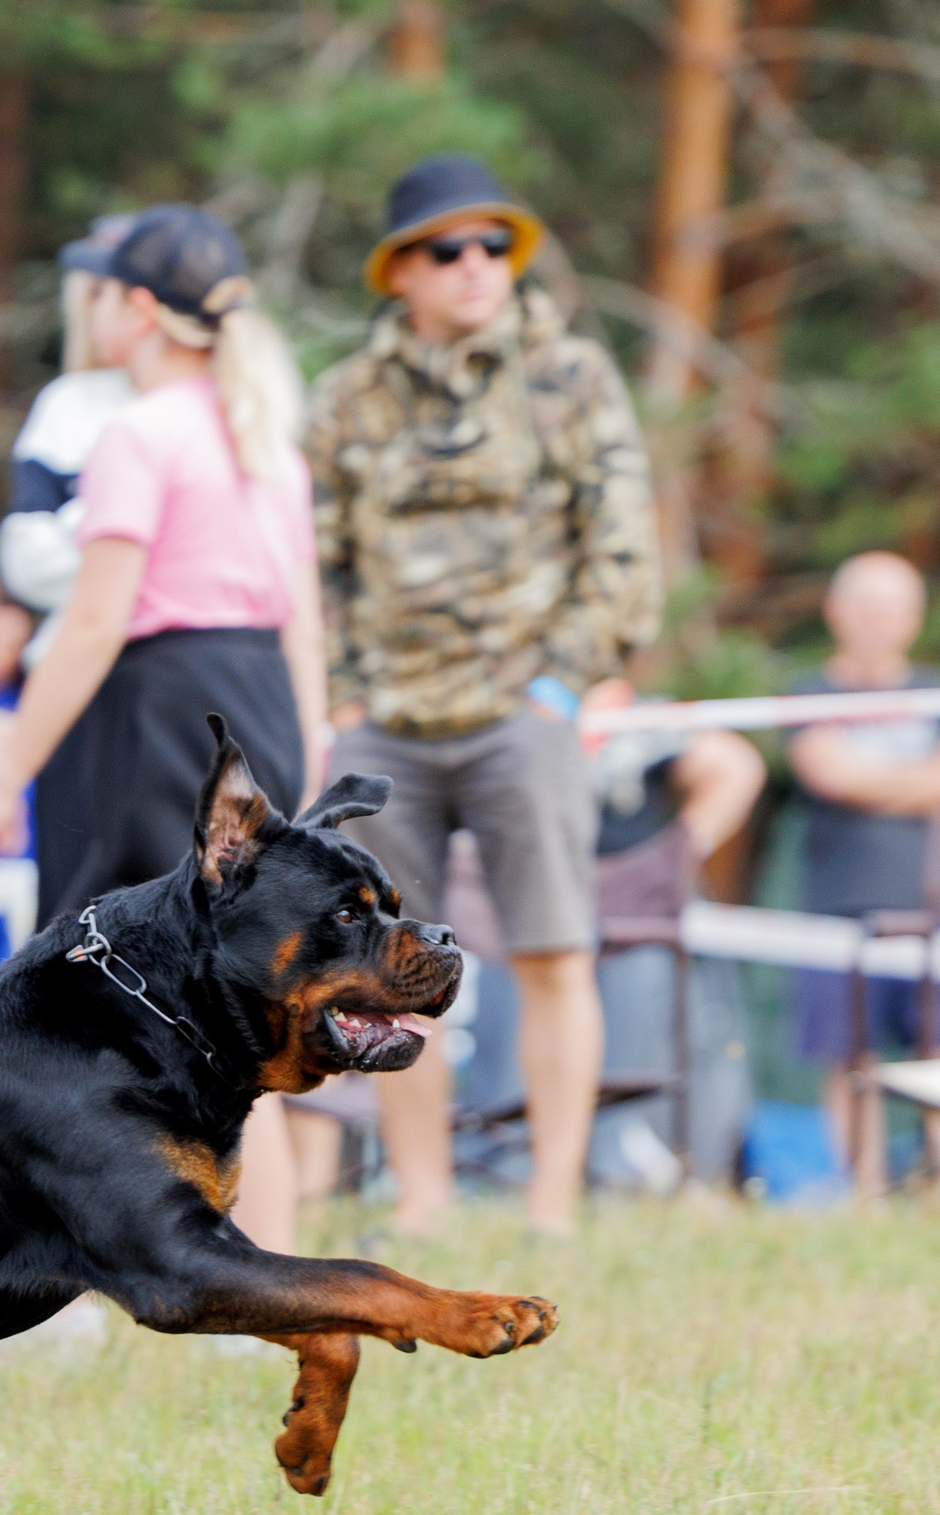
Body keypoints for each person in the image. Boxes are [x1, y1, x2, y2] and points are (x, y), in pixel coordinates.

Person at [0, 203, 327, 1255]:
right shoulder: (266, 444)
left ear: (141, 310)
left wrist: (0, 776)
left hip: (157, 716)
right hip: (257, 714)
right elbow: (301, 624)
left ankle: (42, 1269)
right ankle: (269, 1277)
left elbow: (93, 621)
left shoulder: (136, 434)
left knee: (68, 997)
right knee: (244, 1005)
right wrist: (307, 751)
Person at [307, 154, 664, 1239]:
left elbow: (624, 548)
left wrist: (561, 683)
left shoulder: (569, 376)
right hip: (387, 731)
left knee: (555, 949)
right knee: (386, 970)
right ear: (397, 273)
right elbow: (311, 565)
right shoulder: (345, 400)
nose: (475, 266)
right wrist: (340, 696)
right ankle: (424, 1200)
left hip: (523, 713)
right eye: (445, 249)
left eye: (492, 245)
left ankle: (553, 1201)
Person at [787, 550, 940, 1204]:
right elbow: (827, 772)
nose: (877, 621)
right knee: (851, 1065)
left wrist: (872, 781)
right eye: (865, 606)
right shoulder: (808, 692)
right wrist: (925, 784)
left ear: (914, 618)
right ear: (836, 613)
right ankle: (866, 1202)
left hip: (939, 901)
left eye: (891, 608)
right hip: (839, 906)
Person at [0, 215, 138, 926]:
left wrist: (84, 533)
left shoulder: (207, 409)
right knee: (68, 905)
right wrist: (115, 538)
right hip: (71, 692)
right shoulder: (65, 409)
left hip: (172, 691)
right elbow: (24, 561)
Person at [581, 679, 765, 1190]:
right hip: (539, 918)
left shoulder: (633, 712)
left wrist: (676, 855)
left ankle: (661, 1168)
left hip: (640, 929)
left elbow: (737, 764)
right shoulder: (506, 712)